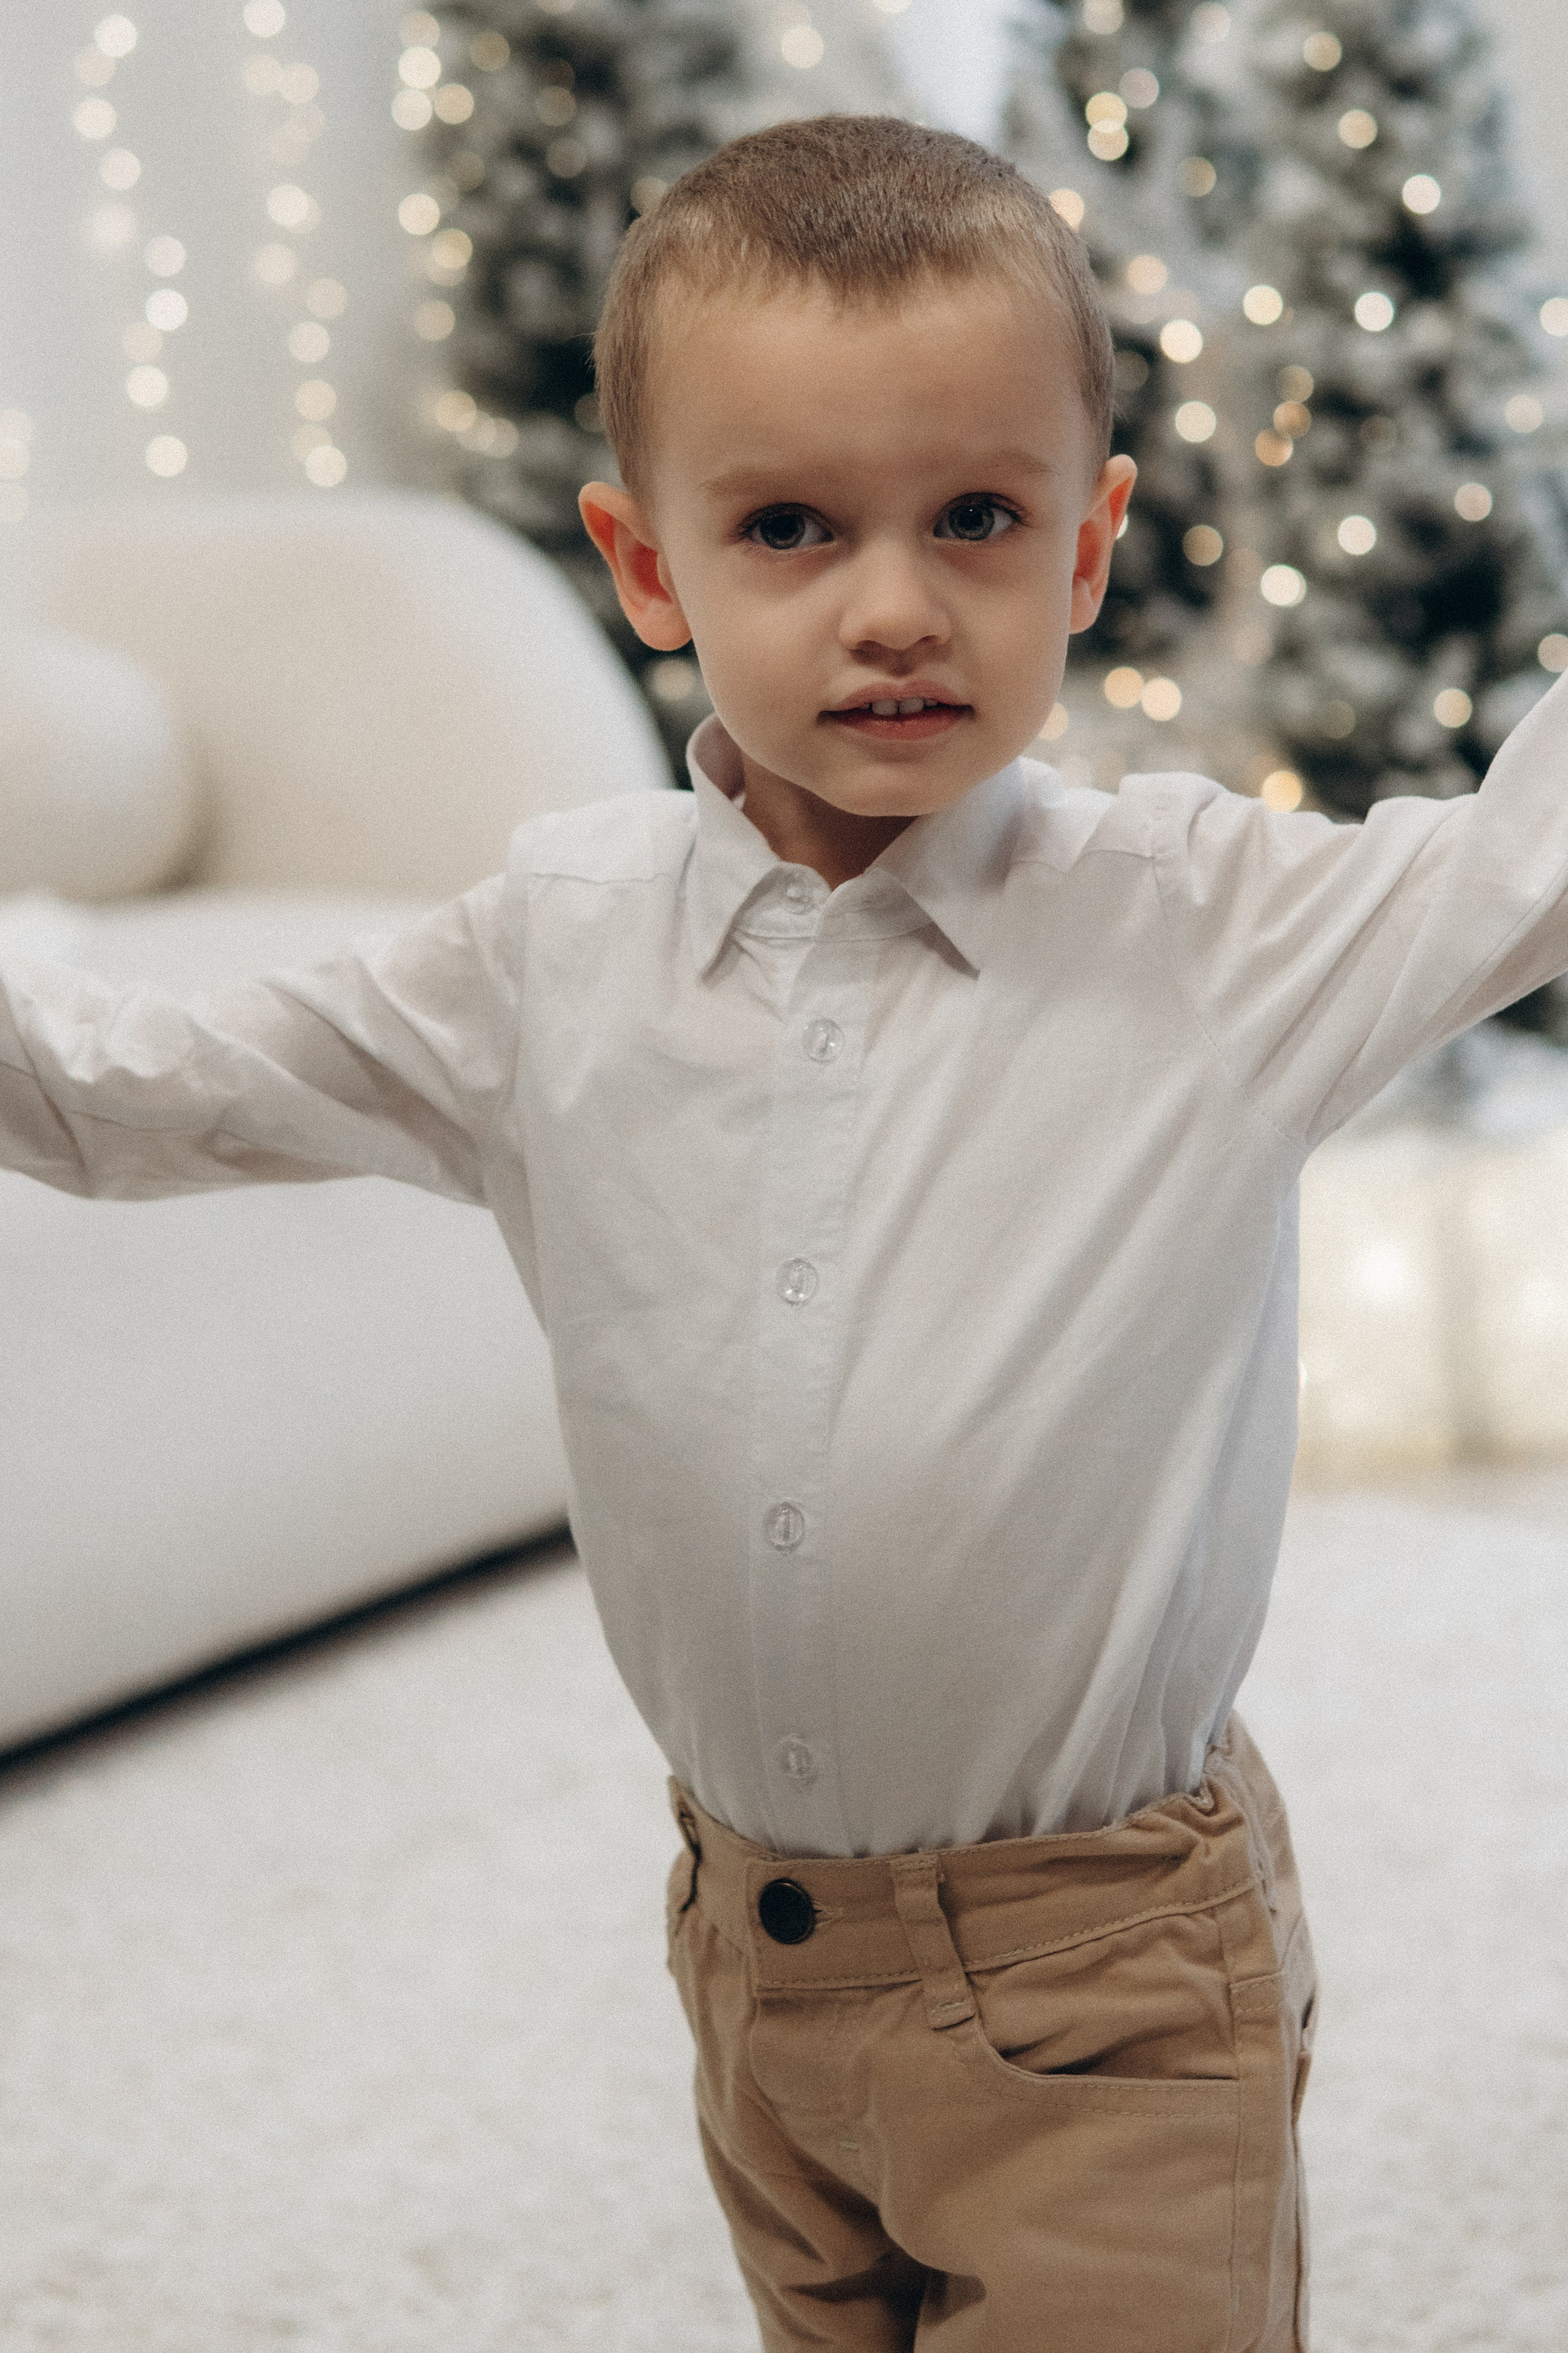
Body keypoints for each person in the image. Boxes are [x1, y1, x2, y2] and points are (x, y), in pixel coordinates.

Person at [2, 114, 1566, 2351]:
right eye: (791, 528)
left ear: (1090, 542)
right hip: (757, 1966)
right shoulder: (552, 950)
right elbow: (129, 1091)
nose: (895, 603)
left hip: (1109, 1988)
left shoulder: (1207, 926)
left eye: (978, 518)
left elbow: (1529, 860)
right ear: (649, 567)